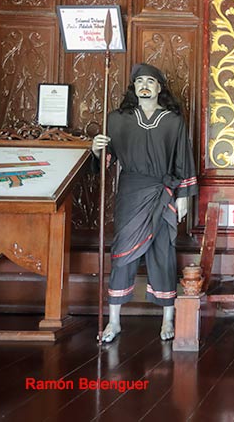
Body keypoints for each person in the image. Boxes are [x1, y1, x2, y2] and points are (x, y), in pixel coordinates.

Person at [91, 63, 198, 342]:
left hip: (163, 193)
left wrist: (184, 197)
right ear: (134, 88)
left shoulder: (173, 121)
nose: (145, 86)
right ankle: (114, 321)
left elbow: (183, 159)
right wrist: (97, 150)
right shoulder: (117, 119)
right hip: (131, 192)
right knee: (122, 254)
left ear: (159, 87)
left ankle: (168, 319)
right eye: (140, 82)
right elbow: (108, 160)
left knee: (163, 252)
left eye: (150, 81)